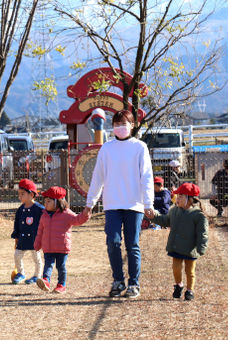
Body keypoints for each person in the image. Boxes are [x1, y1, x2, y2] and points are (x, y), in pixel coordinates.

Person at [84, 109, 154, 299]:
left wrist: (149, 203)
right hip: (112, 204)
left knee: (132, 244)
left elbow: (147, 177)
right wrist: (90, 202)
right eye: (116, 124)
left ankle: (134, 283)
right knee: (113, 242)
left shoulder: (140, 147)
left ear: (132, 125)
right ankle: (118, 280)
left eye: (124, 124)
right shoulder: (107, 148)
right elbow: (97, 177)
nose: (120, 128)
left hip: (134, 204)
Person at [145, 183, 209, 301]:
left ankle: (190, 290)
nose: (177, 198)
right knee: (176, 269)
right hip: (176, 247)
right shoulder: (174, 211)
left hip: (191, 249)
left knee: (190, 271)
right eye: (177, 196)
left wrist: (201, 247)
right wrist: (154, 216)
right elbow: (165, 221)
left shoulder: (198, 215)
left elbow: (202, 233)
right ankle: (178, 285)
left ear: (190, 199)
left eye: (181, 196)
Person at [34, 186, 90, 294]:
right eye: (45, 201)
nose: (45, 204)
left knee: (61, 267)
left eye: (48, 201)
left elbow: (78, 220)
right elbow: (40, 231)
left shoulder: (67, 214)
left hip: (62, 247)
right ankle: (46, 281)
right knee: (48, 265)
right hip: (48, 247)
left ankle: (61, 285)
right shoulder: (44, 215)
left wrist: (85, 214)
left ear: (57, 202)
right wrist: (37, 243)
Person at [11, 179, 44, 284]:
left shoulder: (39, 209)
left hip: (35, 239)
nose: (19, 196)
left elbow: (45, 222)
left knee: (36, 257)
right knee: (17, 255)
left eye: (22, 194)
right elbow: (17, 223)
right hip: (22, 238)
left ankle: (37, 276)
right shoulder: (20, 209)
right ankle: (21, 273)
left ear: (31, 194)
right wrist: (16, 236)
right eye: (19, 194)